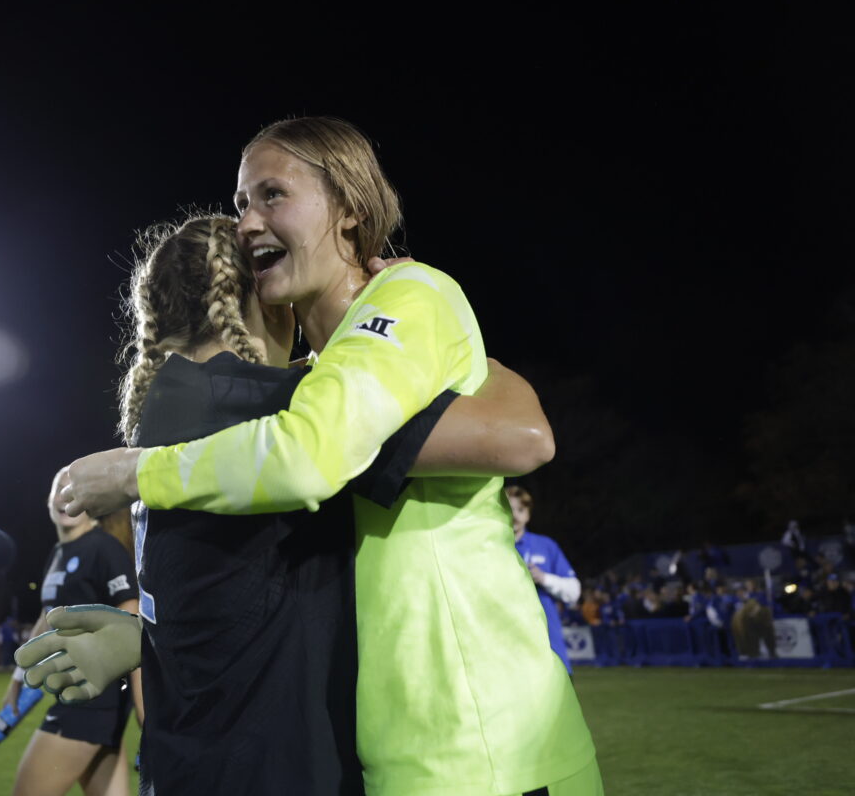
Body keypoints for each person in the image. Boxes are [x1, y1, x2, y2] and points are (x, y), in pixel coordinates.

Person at [44, 117, 600, 795]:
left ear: (350, 209)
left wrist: (137, 472)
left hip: (486, 747)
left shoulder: (401, 302)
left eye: (272, 195)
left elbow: (521, 435)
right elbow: (270, 585)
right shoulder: (307, 392)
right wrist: (145, 638)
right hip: (393, 757)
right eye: (242, 202)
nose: (248, 221)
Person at [4, 501, 140, 796]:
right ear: (48, 501)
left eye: (71, 488)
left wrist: (146, 715)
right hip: (82, 692)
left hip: (93, 692)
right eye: (59, 488)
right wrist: (17, 678)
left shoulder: (104, 547)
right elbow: (47, 617)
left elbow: (133, 623)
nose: (65, 499)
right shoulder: (57, 553)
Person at [507, 485, 582, 675]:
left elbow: (574, 591)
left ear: (528, 514)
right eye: (508, 509)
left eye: (520, 510)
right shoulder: (488, 546)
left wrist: (543, 578)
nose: (515, 515)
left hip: (549, 645)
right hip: (507, 648)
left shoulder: (545, 546)